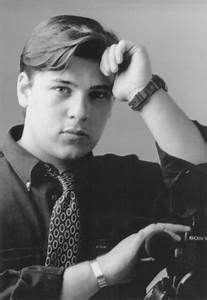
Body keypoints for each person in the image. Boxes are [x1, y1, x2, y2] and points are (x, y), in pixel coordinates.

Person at [0, 15, 206, 300]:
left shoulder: (127, 183)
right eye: (63, 89)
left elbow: (202, 191)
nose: (80, 111)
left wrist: (143, 92)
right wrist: (100, 272)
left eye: (98, 95)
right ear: (25, 89)